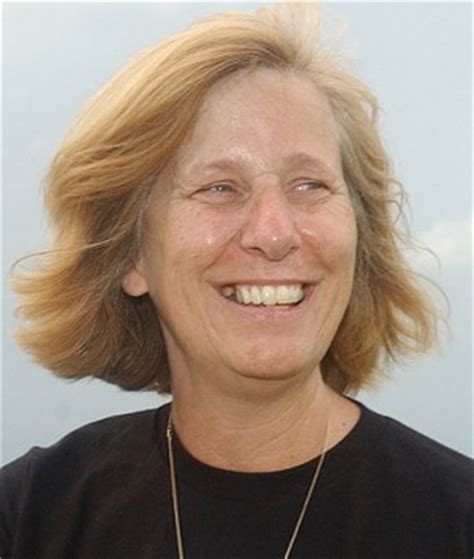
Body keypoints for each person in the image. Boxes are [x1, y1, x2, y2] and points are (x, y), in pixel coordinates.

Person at [1, 4, 472, 558]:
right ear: (131, 257)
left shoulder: (457, 523)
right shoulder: (28, 519)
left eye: (310, 185)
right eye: (220, 188)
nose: (274, 233)